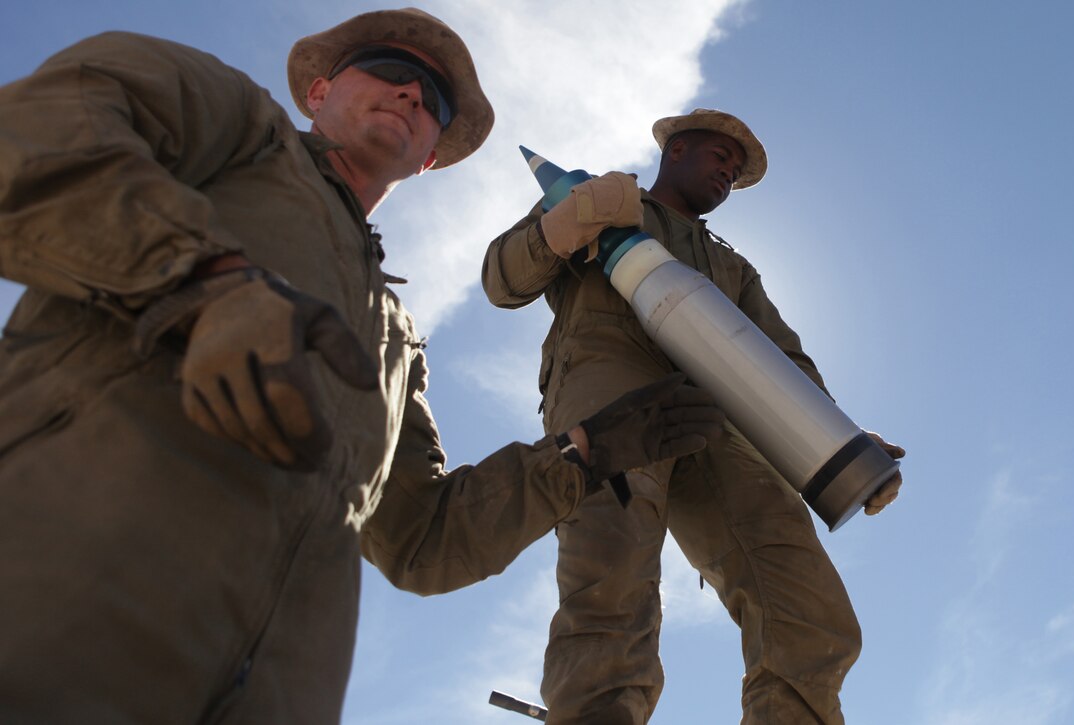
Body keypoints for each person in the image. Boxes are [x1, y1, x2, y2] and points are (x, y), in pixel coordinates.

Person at [0, 10, 727, 724]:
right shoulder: (242, 132)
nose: (412, 93)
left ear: (430, 157)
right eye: (391, 69)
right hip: (58, 609)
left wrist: (583, 453)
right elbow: (41, 128)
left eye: (434, 100)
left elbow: (421, 541)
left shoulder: (392, 341)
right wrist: (204, 282)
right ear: (318, 93)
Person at [482, 108, 906, 724]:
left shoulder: (731, 268)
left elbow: (784, 361)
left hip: (720, 420)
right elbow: (503, 280)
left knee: (803, 604)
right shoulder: (601, 200)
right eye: (719, 159)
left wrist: (845, 441)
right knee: (611, 582)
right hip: (610, 403)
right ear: (675, 150)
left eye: (736, 174)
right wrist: (561, 226)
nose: (727, 177)